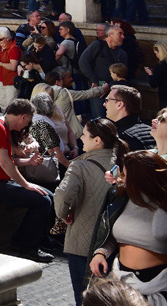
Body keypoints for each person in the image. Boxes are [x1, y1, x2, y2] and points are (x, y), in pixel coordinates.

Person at [0, 98, 56, 263]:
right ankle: (28, 247)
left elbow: (8, 161)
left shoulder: (4, 127)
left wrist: (29, 162)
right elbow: (4, 163)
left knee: (50, 196)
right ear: (23, 117)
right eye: (28, 121)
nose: (27, 126)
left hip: (1, 181)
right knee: (42, 201)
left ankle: (28, 240)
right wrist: (25, 184)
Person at [56, 118, 122, 306]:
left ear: (97, 140)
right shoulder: (123, 161)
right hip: (115, 242)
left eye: (84, 134)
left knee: (85, 299)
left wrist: (63, 214)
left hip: (83, 243)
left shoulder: (79, 165)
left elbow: (62, 195)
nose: (80, 138)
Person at [91, 150, 167, 303]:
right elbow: (114, 235)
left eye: (125, 175)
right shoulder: (122, 198)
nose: (121, 179)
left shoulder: (163, 203)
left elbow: (161, 233)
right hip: (119, 280)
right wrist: (101, 253)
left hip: (158, 285)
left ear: (140, 178)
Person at [106, 85, 156, 151]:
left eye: (107, 100)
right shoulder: (151, 131)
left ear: (119, 104)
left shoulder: (122, 138)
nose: (104, 104)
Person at [0, 27, 23, 111]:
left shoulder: (13, 48)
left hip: (10, 81)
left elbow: (13, 66)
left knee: (11, 105)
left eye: (0, 39)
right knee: (2, 103)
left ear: (7, 38)